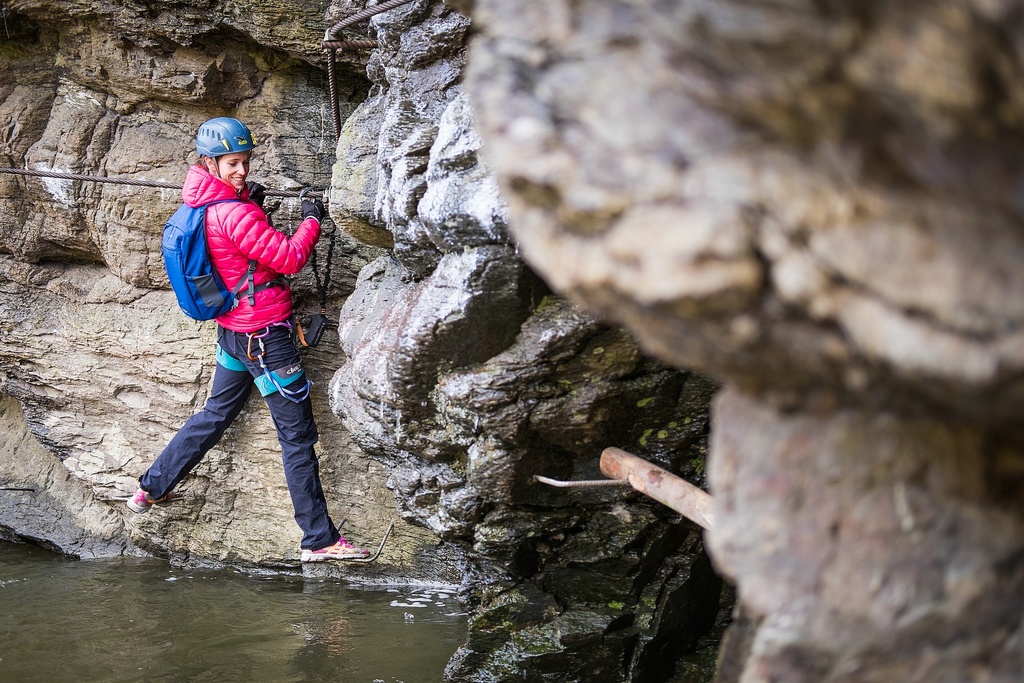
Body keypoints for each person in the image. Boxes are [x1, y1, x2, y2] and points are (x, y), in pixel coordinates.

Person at [127, 117, 369, 561]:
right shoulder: (234, 212)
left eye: (245, 161)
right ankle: (319, 540)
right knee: (296, 438)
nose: (242, 170)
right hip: (268, 339)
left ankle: (151, 488)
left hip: (235, 335)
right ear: (210, 161)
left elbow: (236, 250)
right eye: (233, 163)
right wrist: (312, 219)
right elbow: (290, 258)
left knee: (216, 412)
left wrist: (246, 200)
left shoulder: (205, 201)